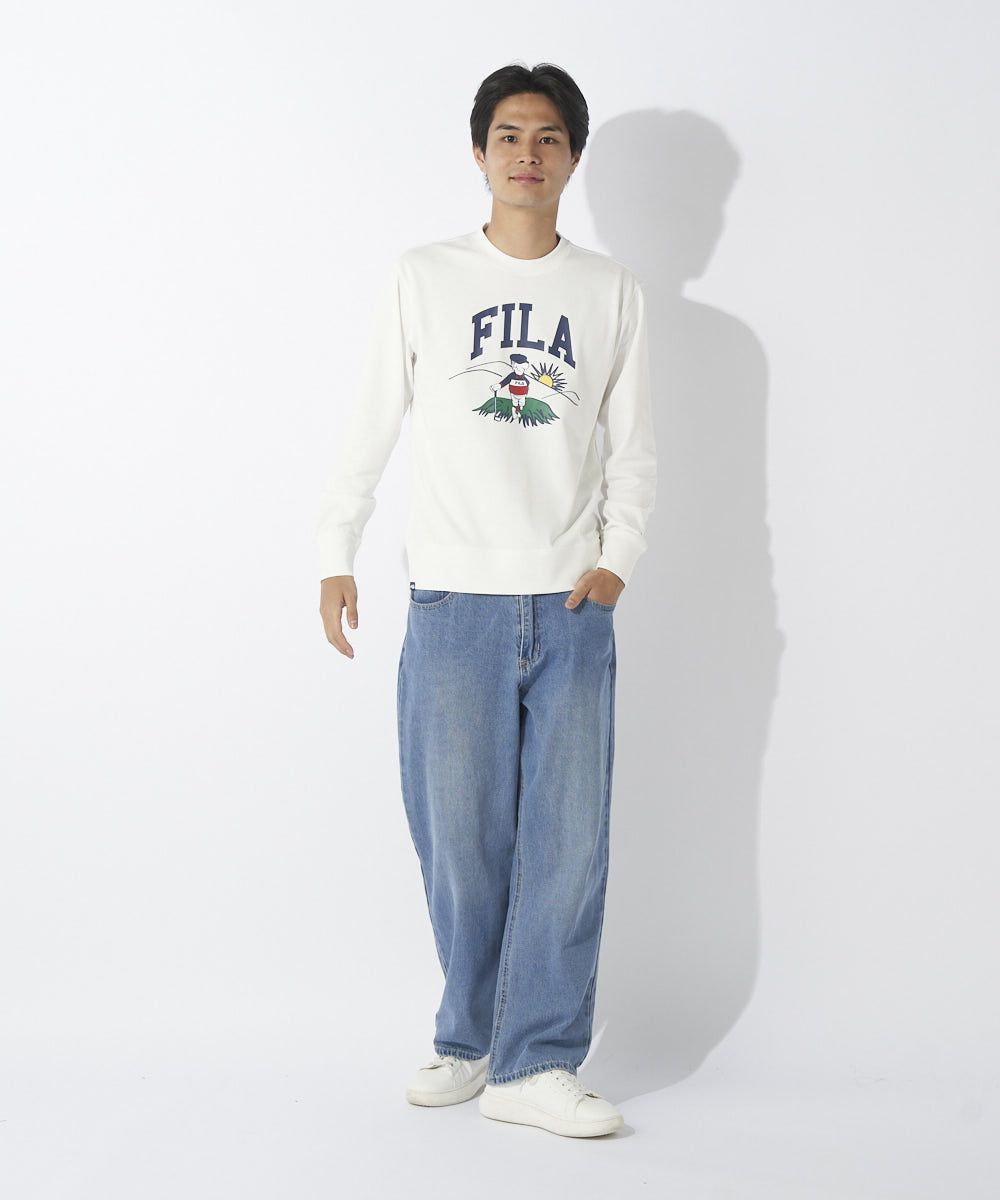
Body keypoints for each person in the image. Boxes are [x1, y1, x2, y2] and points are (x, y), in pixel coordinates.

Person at [316, 61, 656, 1139]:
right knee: (458, 840)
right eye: (508, 135)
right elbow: (370, 419)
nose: (527, 154)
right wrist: (335, 550)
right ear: (478, 153)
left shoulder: (609, 290)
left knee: (568, 845)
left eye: (548, 137)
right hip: (454, 599)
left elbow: (633, 446)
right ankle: (471, 1039)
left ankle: (535, 1063)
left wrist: (616, 560)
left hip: (569, 604)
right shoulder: (424, 276)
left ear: (572, 157)